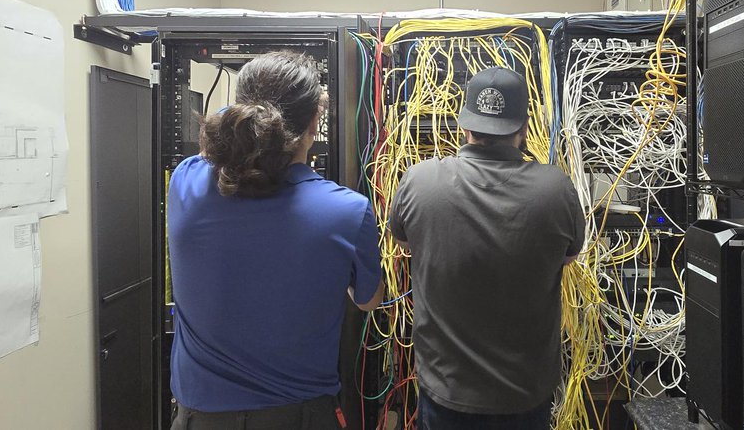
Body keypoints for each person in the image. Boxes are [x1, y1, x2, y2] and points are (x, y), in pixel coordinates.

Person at [166, 51, 384, 430]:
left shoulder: (186, 180)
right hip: (301, 416)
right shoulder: (346, 211)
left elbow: (212, 145)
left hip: (201, 418)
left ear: (240, 110)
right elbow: (368, 300)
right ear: (316, 120)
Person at [390, 67, 586, 429]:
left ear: (465, 125)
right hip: (525, 395)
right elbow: (569, 256)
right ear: (523, 127)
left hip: (446, 391)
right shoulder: (556, 189)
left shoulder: (420, 180)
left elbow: (405, 242)